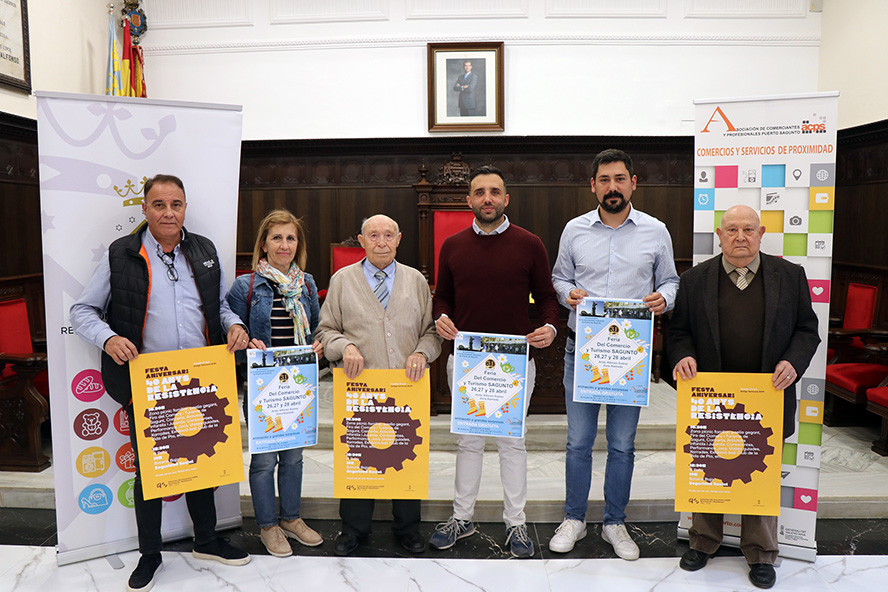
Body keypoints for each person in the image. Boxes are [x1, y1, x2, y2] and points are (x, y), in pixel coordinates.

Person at [70, 174, 251, 592]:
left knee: (202, 463)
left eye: (176, 204)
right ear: (145, 209)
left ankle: (206, 540)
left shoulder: (204, 250)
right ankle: (150, 554)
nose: (168, 213)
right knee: (151, 473)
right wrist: (108, 338)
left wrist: (235, 325)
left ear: (185, 208)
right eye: (159, 205)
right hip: (148, 385)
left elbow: (220, 307)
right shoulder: (121, 253)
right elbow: (82, 311)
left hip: (201, 380)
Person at [668, 205, 820, 589]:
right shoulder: (694, 280)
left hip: (767, 397)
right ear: (719, 236)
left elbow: (807, 330)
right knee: (709, 468)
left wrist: (793, 362)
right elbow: (679, 332)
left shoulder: (790, 276)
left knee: (761, 475)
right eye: (732, 230)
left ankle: (761, 552)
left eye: (748, 229)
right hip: (712, 400)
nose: (740, 237)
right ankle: (703, 541)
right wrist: (682, 354)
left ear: (761, 233)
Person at [549, 148, 680, 560]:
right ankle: (574, 518)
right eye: (604, 180)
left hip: (629, 356)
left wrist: (664, 298)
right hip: (584, 351)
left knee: (622, 443)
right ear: (593, 186)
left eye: (620, 179)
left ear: (633, 183)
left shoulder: (656, 230)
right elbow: (559, 277)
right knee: (578, 441)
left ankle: (614, 522)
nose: (612, 187)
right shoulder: (574, 230)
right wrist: (567, 293)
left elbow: (671, 281)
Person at [431, 165, 560, 558]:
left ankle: (516, 523)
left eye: (494, 192)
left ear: (506, 198)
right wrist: (441, 316)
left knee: (511, 444)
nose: (487, 198)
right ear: (468, 200)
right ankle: (461, 518)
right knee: (469, 443)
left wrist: (550, 327)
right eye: (479, 192)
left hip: (514, 364)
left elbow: (548, 297)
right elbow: (443, 296)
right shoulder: (452, 245)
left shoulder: (530, 244)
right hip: (466, 362)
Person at [315, 214, 441, 557]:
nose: (381, 242)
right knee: (360, 457)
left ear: (399, 239)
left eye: (388, 235)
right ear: (361, 240)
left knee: (405, 457)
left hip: (405, 389)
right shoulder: (343, 280)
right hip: (361, 391)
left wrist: (421, 353)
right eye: (373, 235)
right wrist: (345, 347)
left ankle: (408, 528)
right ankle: (353, 530)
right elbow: (325, 331)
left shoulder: (416, 281)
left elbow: (431, 333)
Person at [226, 210, 324, 558]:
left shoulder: (307, 284)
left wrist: (317, 345)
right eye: (277, 238)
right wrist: (246, 345)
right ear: (264, 245)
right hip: (263, 388)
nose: (285, 245)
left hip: (297, 388)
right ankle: (268, 525)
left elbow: (316, 328)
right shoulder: (245, 286)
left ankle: (291, 519)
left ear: (298, 245)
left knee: (294, 458)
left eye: (291, 238)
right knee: (265, 461)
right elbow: (230, 339)